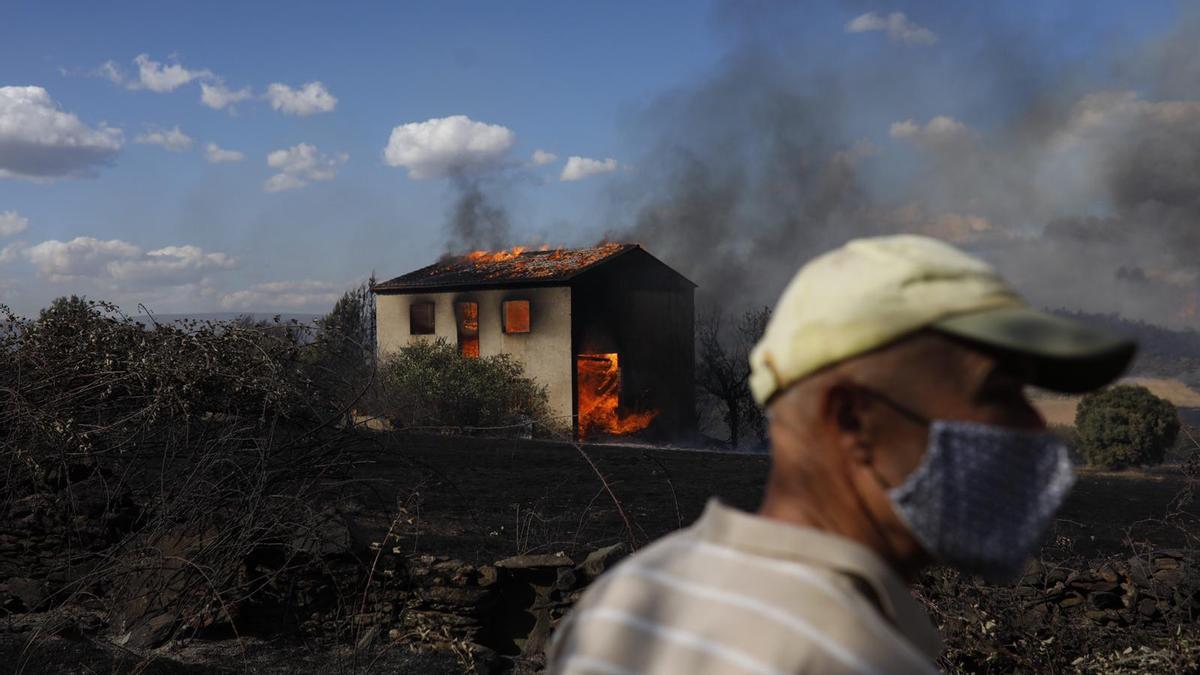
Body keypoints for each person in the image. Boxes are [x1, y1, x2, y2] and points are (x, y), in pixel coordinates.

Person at [545, 234, 1135, 674]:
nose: (1034, 427)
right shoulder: (853, 657)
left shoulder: (625, 601)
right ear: (853, 419)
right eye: (999, 393)